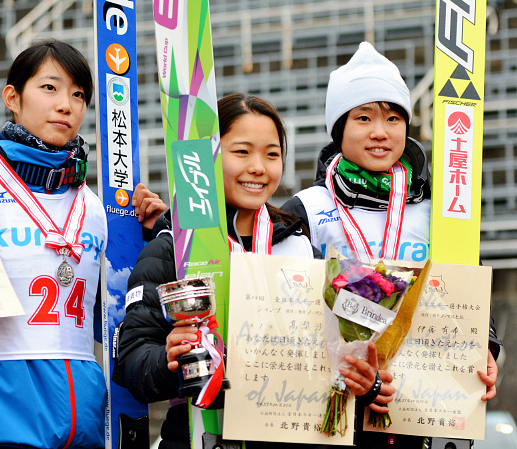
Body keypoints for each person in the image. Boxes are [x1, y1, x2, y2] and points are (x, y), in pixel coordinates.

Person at [0, 39, 164, 449]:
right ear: (12, 98)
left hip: (85, 424)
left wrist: (146, 241)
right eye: (50, 88)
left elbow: (115, 323)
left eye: (78, 94)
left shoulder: (98, 207)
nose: (66, 105)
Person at [114, 93, 388, 449]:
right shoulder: (173, 249)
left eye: (272, 154)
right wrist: (168, 359)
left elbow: (338, 356)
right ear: (208, 158)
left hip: (293, 432)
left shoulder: (301, 247)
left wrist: (368, 385)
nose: (259, 167)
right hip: (200, 435)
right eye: (242, 152)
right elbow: (132, 360)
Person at [281, 41, 502, 448]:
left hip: (417, 406)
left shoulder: (439, 212)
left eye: (394, 118)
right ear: (339, 129)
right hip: (330, 408)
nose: (380, 132)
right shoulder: (307, 209)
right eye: (363, 117)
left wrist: (483, 348)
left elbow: (470, 293)